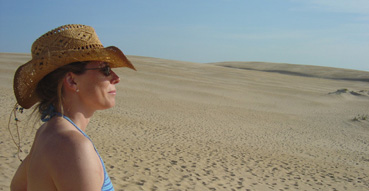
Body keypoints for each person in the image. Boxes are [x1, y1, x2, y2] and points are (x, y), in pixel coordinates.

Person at [10, 24, 135, 191]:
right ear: (72, 80)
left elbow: (18, 187)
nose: (116, 78)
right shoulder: (72, 146)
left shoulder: (47, 132)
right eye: (105, 69)